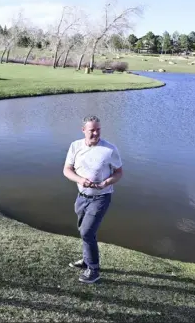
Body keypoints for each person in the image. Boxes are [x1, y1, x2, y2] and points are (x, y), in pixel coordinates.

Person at [63, 115, 123, 283]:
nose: (96, 133)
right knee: (84, 230)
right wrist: (81, 180)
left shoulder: (109, 150)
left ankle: (94, 270)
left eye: (98, 130)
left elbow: (119, 172)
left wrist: (106, 182)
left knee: (87, 232)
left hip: (101, 197)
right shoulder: (75, 146)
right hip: (81, 197)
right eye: (92, 130)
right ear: (83, 130)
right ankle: (86, 260)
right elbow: (67, 170)